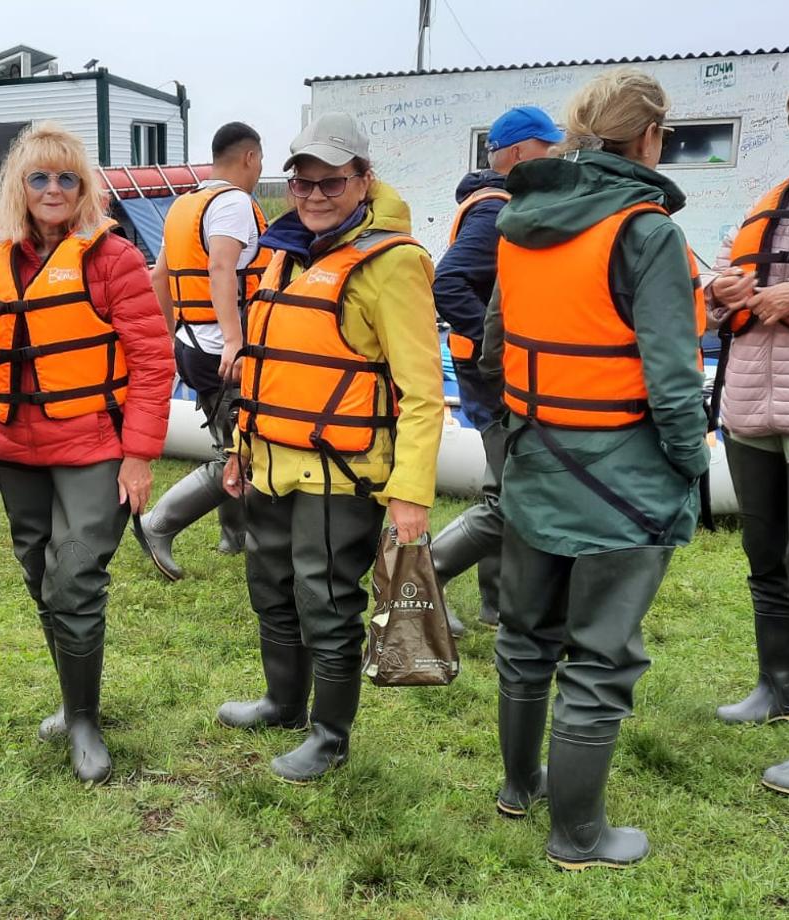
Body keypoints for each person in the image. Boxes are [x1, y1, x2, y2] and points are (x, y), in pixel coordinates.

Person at [480, 68, 707, 869]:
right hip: (624, 483)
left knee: (525, 639)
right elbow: (675, 379)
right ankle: (578, 836)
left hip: (537, 462)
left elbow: (493, 348)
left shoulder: (523, 217)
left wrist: (515, 435)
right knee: (601, 657)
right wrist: (692, 468)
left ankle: (519, 787)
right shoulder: (647, 232)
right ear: (651, 137)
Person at [219, 112, 444, 782]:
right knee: (272, 590)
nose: (315, 196)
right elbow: (265, 366)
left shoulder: (394, 264)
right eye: (303, 182)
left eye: (333, 183)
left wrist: (411, 491)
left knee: (326, 601)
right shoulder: (284, 253)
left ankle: (330, 736)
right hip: (268, 461)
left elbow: (424, 392)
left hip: (341, 474)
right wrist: (239, 448)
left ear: (365, 180)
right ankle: (284, 703)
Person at [0, 122, 173, 785]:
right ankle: (72, 698)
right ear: (19, 187)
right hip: (15, 451)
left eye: (67, 178)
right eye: (39, 177)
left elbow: (153, 363)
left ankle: (84, 720)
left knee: (75, 577)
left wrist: (138, 458)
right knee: (39, 578)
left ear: (85, 189)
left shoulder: (114, 260)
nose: (53, 189)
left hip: (92, 450)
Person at [430, 106, 563, 636]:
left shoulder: (502, 203)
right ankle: (420, 576)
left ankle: (497, 604)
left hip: (488, 364)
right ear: (511, 153)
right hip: (491, 371)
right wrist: (498, 344)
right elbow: (449, 283)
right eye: (542, 146)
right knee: (509, 494)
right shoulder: (494, 211)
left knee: (503, 484)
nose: (553, 156)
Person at [703, 91, 789, 793]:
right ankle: (776, 686)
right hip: (752, 407)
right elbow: (735, 299)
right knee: (765, 560)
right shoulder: (773, 200)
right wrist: (725, 292)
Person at [136, 122, 269, 580]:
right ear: (250, 158)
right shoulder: (233, 204)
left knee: (227, 437)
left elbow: (158, 278)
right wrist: (234, 339)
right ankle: (159, 523)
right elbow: (220, 267)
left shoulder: (184, 204)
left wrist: (173, 334)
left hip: (193, 342)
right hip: (222, 348)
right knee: (240, 452)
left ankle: (235, 537)